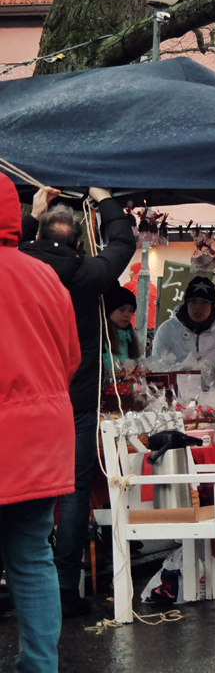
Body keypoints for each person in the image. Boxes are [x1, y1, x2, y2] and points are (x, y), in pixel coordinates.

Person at [19, 185, 135, 616]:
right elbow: (123, 242)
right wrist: (104, 199)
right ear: (80, 240)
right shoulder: (88, 273)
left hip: (26, 394)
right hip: (76, 396)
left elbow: (10, 244)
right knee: (71, 491)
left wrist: (31, 213)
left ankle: (19, 574)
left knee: (22, 488)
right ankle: (65, 585)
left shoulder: (20, 263)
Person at [1, 174, 81, 672]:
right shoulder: (41, 275)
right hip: (41, 437)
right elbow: (69, 357)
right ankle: (38, 666)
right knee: (32, 559)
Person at [152, 276, 215, 386]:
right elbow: (158, 371)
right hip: (175, 397)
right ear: (186, 303)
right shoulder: (166, 330)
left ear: (212, 305)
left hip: (213, 399)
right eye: (193, 301)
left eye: (204, 302)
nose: (198, 307)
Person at [101, 284, 140, 374]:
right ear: (109, 310)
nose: (127, 315)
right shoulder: (101, 340)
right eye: (122, 310)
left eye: (131, 310)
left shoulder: (129, 339)